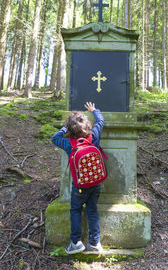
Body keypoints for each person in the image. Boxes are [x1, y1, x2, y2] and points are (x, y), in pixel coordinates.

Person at [51, 102, 104, 254]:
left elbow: (54, 138)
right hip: (96, 182)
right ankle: (94, 243)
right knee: (92, 211)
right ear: (87, 125)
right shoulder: (94, 137)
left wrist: (65, 128)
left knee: (75, 210)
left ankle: (76, 243)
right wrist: (94, 110)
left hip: (79, 186)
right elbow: (100, 121)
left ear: (70, 129)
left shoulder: (68, 143)